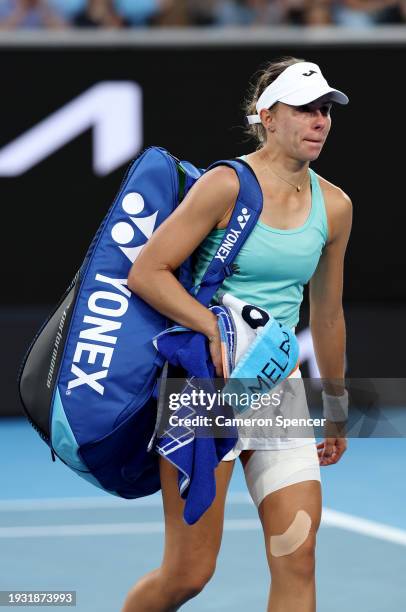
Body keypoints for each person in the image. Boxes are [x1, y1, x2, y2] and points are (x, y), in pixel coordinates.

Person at [123, 56, 352, 612]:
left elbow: (326, 315)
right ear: (268, 117)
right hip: (203, 390)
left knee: (298, 555)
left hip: (279, 390)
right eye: (304, 109)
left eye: (324, 109)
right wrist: (210, 326)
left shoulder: (336, 206)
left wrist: (336, 406)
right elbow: (146, 273)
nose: (319, 120)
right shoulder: (224, 185)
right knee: (189, 574)